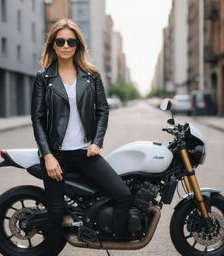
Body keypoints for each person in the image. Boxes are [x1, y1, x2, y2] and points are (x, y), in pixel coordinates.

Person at [31, 18, 132, 256]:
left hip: (86, 153)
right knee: (56, 213)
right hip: (56, 155)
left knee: (123, 195)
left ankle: (112, 239)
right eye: (60, 41)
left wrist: (97, 142)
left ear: (78, 45)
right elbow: (37, 118)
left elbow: (102, 110)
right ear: (53, 45)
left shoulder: (91, 75)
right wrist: (47, 155)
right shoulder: (44, 78)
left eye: (71, 41)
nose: (66, 45)